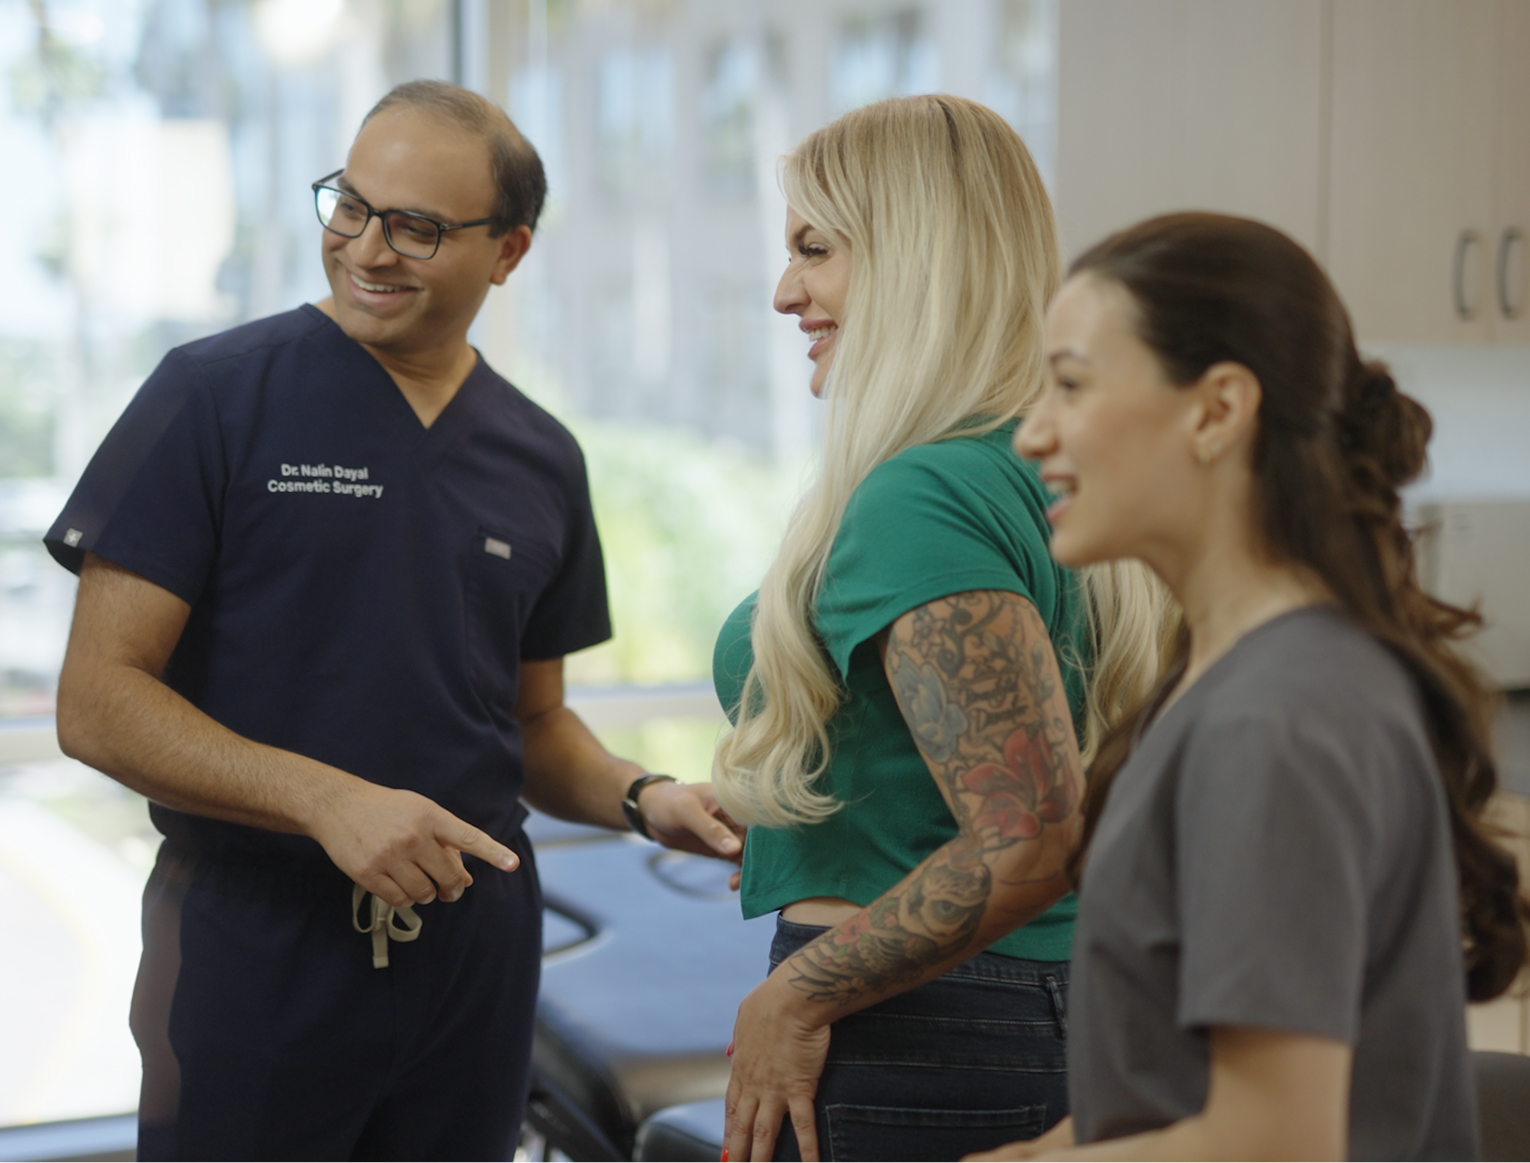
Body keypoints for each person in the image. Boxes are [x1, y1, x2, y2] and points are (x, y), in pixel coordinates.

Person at [47, 80, 740, 1161]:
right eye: (350, 207)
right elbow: (97, 704)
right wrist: (326, 800)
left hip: (475, 950)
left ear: (507, 252)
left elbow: (533, 723)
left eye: (416, 226)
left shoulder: (538, 454)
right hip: (258, 939)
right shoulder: (212, 397)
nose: (369, 248)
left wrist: (647, 798)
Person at [977, 212, 1530, 1160]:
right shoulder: (1236, 678)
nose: (1033, 432)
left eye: (1069, 385)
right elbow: (1166, 1081)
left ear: (1217, 410)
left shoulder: (1275, 716)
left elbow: (1274, 1139)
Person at [710, 95, 1172, 1163]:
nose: (787, 291)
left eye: (814, 249)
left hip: (916, 1029)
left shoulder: (922, 495)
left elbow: (1030, 837)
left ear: (914, 257)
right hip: (1033, 1005)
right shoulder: (1036, 467)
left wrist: (792, 998)